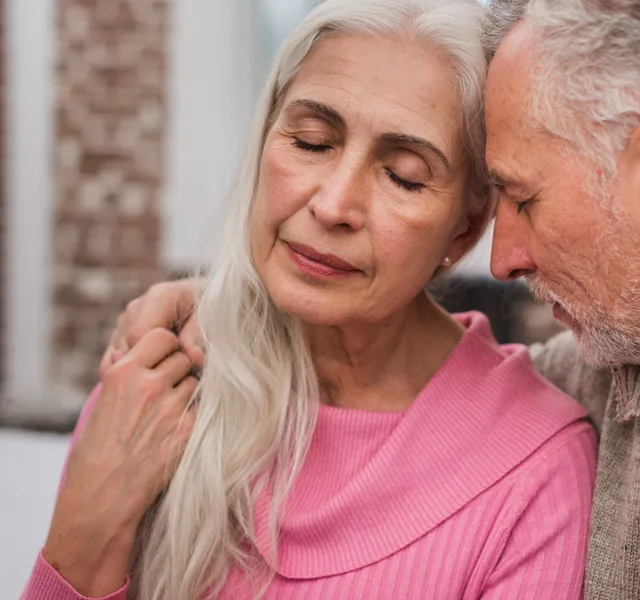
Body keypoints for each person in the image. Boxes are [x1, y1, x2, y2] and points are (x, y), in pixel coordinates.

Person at [110, 0, 640, 598]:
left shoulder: (553, 445)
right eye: (312, 141)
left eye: (523, 198)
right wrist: (226, 304)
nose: (502, 260)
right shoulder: (601, 369)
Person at [22, 1, 597, 599]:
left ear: (464, 225)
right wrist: (83, 539)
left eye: (402, 175)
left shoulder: (535, 474)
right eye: (312, 142)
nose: (332, 205)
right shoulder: (154, 386)